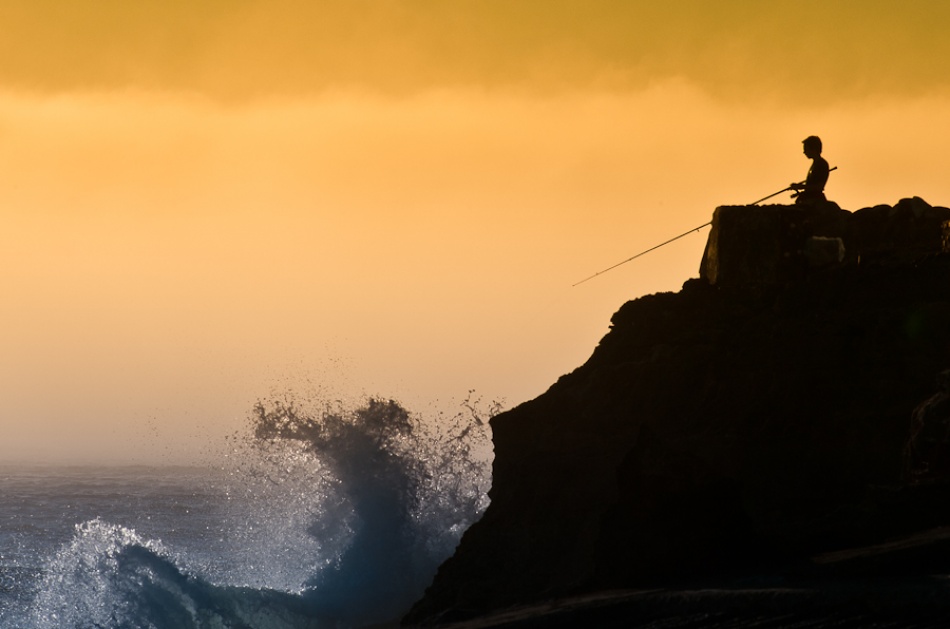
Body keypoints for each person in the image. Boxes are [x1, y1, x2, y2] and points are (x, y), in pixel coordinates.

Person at [790, 135, 829, 205]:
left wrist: (800, 187)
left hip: (815, 201)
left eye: (806, 149)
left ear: (813, 149)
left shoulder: (822, 164)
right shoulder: (815, 164)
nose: (804, 152)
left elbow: (819, 187)